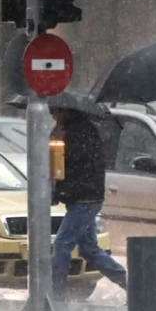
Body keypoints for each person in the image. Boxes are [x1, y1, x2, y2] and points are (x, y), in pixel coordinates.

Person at [50, 107, 127, 300]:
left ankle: (55, 294)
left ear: (66, 111)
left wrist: (58, 142)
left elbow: (68, 165)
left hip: (84, 198)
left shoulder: (80, 133)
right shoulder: (76, 130)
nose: (53, 116)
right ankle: (130, 284)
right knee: (88, 249)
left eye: (55, 112)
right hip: (83, 197)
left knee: (62, 244)